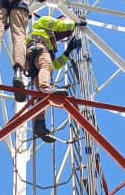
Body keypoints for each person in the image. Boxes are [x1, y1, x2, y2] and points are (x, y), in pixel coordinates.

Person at [25, 14, 86, 142]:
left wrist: (68, 51)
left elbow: (56, 65)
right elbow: (60, 25)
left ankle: (39, 125)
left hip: (32, 64)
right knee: (46, 69)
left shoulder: (51, 43)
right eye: (65, 33)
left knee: (41, 96)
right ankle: (45, 88)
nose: (64, 35)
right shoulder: (45, 21)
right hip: (36, 49)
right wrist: (76, 23)